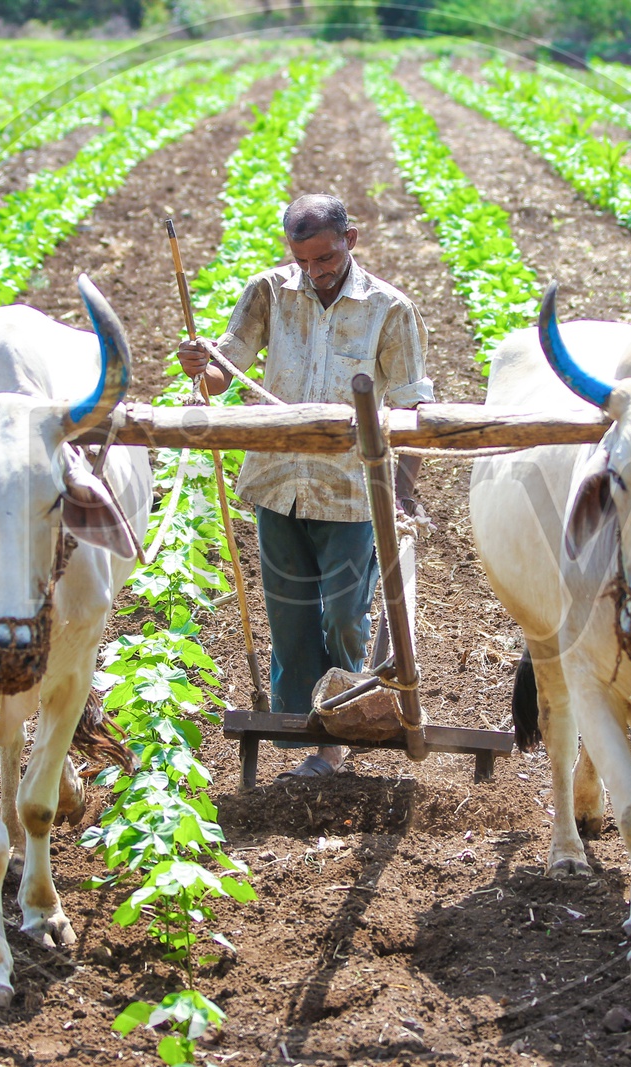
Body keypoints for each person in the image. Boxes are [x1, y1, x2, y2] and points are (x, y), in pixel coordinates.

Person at [177, 193, 434, 779]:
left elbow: (413, 406)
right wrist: (202, 365)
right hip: (277, 483)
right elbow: (226, 370)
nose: (315, 271)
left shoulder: (389, 309)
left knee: (344, 615)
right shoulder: (268, 292)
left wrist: (399, 491)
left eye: (325, 258)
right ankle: (306, 740)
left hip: (351, 491)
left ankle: (339, 730)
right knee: (290, 616)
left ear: (352, 239)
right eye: (304, 261)